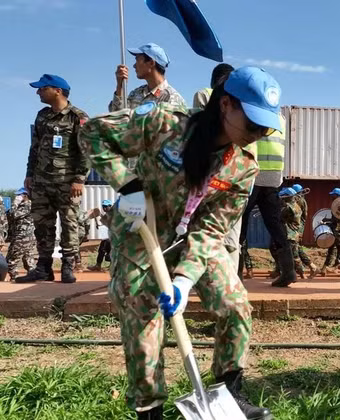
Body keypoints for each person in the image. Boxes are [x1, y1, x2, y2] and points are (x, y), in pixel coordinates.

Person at [80, 66, 281, 419]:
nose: (258, 134)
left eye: (265, 127)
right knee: (144, 322)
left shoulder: (243, 167)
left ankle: (229, 395)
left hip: (192, 239)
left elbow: (212, 228)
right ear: (225, 105)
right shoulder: (165, 123)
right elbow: (93, 134)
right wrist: (126, 184)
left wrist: (185, 280)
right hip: (143, 232)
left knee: (234, 305)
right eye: (252, 123)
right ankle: (149, 408)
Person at [18, 74, 89, 284]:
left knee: (69, 224)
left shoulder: (78, 117)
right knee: (42, 225)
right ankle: (43, 267)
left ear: (57, 91)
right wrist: (29, 174)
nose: (38, 92)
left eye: (42, 88)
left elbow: (86, 150)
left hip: (67, 183)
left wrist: (79, 179)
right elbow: (34, 149)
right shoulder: (42, 116)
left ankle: (68, 265)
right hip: (41, 182)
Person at [237, 82, 293, 287]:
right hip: (273, 178)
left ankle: (237, 273)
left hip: (254, 175)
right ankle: (288, 270)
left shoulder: (254, 114)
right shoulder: (280, 118)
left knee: (239, 222)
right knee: (275, 225)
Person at [192, 63, 245, 275]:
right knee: (229, 237)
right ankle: (227, 282)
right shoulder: (242, 104)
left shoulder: (204, 95)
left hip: (216, 176)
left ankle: (217, 283)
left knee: (210, 233)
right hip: (232, 176)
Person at [110, 43, 186, 112]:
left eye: (137, 60)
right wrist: (120, 86)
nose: (134, 65)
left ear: (151, 63)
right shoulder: (136, 93)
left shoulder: (171, 98)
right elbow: (118, 117)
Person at [7, 188, 36, 281]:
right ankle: (32, 276)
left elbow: (12, 215)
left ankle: (14, 277)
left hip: (22, 236)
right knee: (28, 258)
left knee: (11, 258)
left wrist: (14, 203)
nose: (17, 197)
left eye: (19, 195)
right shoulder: (26, 205)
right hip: (27, 236)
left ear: (25, 196)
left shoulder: (26, 205)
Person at [318, 188, 340, 276]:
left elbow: (339, 220)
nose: (331, 196)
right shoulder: (336, 205)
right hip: (336, 230)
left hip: (339, 231)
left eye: (333, 195)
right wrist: (326, 220)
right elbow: (334, 219)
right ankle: (324, 269)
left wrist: (328, 222)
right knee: (331, 250)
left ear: (337, 196)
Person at [292, 184, 317, 277]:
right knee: (296, 249)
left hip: (296, 229)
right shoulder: (301, 200)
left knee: (296, 249)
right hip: (297, 228)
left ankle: (310, 267)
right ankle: (310, 267)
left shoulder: (299, 201)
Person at [280, 188, 305, 280]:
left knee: (293, 256)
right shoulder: (296, 206)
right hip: (295, 234)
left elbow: (280, 217)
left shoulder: (288, 207)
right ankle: (300, 273)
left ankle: (301, 273)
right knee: (295, 255)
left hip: (290, 234)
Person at [88, 200, 114, 272]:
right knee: (101, 250)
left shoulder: (113, 215)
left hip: (112, 237)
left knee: (110, 251)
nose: (105, 208)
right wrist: (100, 227)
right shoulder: (106, 216)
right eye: (103, 207)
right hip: (106, 237)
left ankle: (111, 266)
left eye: (106, 206)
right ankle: (98, 265)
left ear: (110, 206)